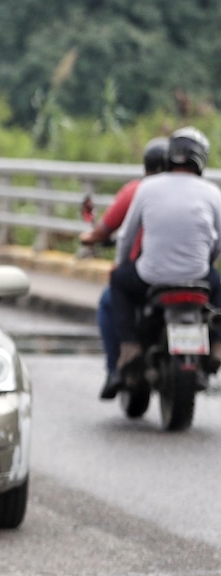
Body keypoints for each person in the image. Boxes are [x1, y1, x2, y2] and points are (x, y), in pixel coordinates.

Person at [107, 125, 221, 385]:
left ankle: (130, 346)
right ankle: (217, 345)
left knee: (118, 281)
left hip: (150, 276)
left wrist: (122, 264)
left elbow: (126, 236)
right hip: (198, 275)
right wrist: (207, 262)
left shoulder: (147, 187)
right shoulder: (213, 193)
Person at [80, 136, 167, 398]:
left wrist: (92, 238)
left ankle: (117, 366)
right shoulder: (199, 190)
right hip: (193, 275)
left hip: (146, 275)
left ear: (146, 166)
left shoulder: (138, 191)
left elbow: (108, 230)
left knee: (110, 300)